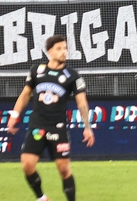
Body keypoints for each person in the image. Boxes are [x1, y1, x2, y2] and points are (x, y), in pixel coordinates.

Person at [6, 34, 95, 201]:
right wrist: (15, 115)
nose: (64, 52)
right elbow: (25, 94)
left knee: (63, 169)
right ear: (49, 52)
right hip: (37, 126)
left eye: (65, 48)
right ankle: (41, 198)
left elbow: (82, 103)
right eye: (59, 49)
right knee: (27, 165)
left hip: (58, 128)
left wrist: (87, 127)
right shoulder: (36, 71)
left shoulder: (73, 76)